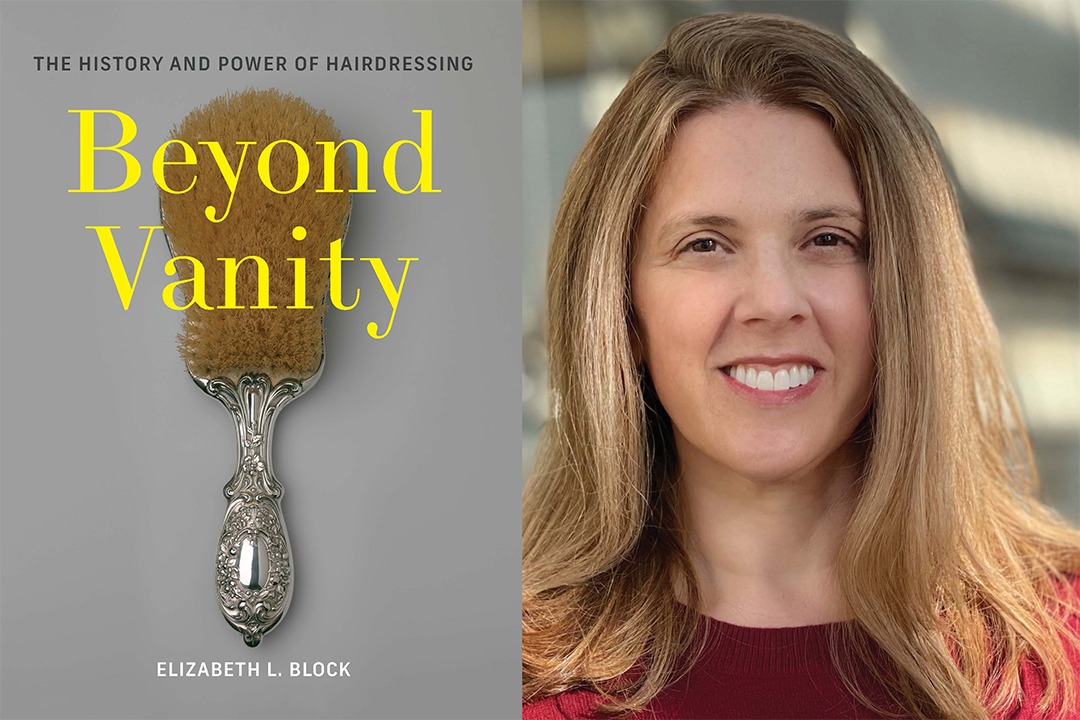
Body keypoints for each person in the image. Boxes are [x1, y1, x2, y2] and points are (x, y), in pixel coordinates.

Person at [522, 13, 1080, 720]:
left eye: (827, 239)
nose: (774, 302)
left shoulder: (1063, 649)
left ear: (906, 293)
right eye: (705, 245)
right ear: (624, 311)